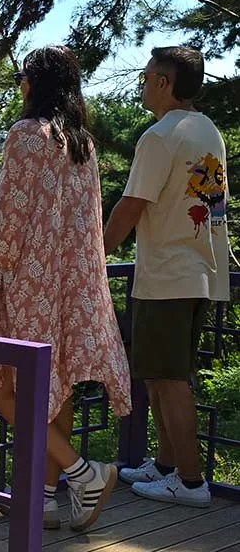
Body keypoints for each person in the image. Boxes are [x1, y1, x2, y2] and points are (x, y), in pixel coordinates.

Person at [0, 45, 132, 532]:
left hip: (31, 283)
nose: (20, 86)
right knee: (58, 387)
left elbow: (6, 219)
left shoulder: (27, 136)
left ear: (35, 83)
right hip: (73, 284)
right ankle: (47, 500)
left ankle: (82, 473)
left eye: (23, 77)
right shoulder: (81, 142)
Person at [104, 46, 230, 508]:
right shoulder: (207, 130)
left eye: (146, 75)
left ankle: (191, 482)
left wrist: (96, 254)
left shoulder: (160, 136)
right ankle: (166, 465)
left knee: (170, 379)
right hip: (201, 269)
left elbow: (132, 205)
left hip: (167, 274)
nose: (141, 82)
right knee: (160, 374)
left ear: (163, 82)